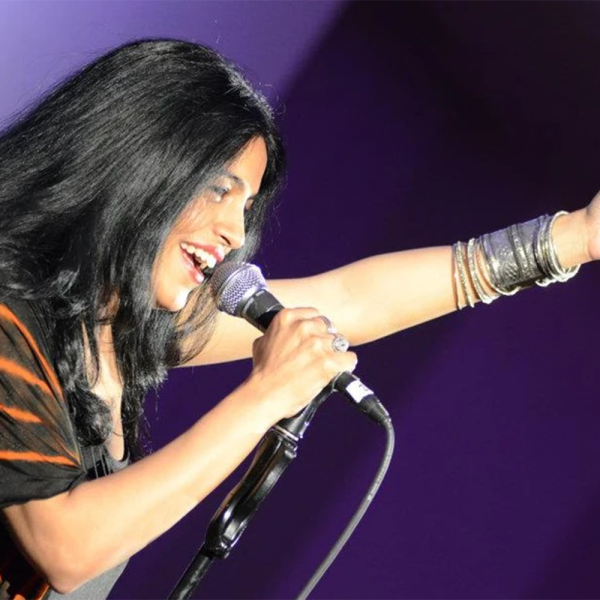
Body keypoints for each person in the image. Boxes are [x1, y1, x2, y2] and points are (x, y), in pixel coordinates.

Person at [0, 39, 597, 600]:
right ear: (137, 165)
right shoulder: (10, 311)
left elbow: (350, 301)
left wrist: (574, 239)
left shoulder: (120, 328)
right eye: (218, 189)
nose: (235, 232)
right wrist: (265, 395)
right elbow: (65, 545)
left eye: (246, 205)